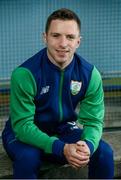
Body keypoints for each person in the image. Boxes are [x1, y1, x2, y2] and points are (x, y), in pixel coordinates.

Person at [2, 8, 114, 179]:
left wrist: (87, 146)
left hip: (64, 130)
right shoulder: (25, 74)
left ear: (78, 41)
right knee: (28, 158)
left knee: (104, 152)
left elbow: (93, 120)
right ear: (44, 37)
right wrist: (60, 148)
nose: (63, 44)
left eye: (70, 37)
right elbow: (23, 126)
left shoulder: (90, 74)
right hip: (24, 136)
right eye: (56, 36)